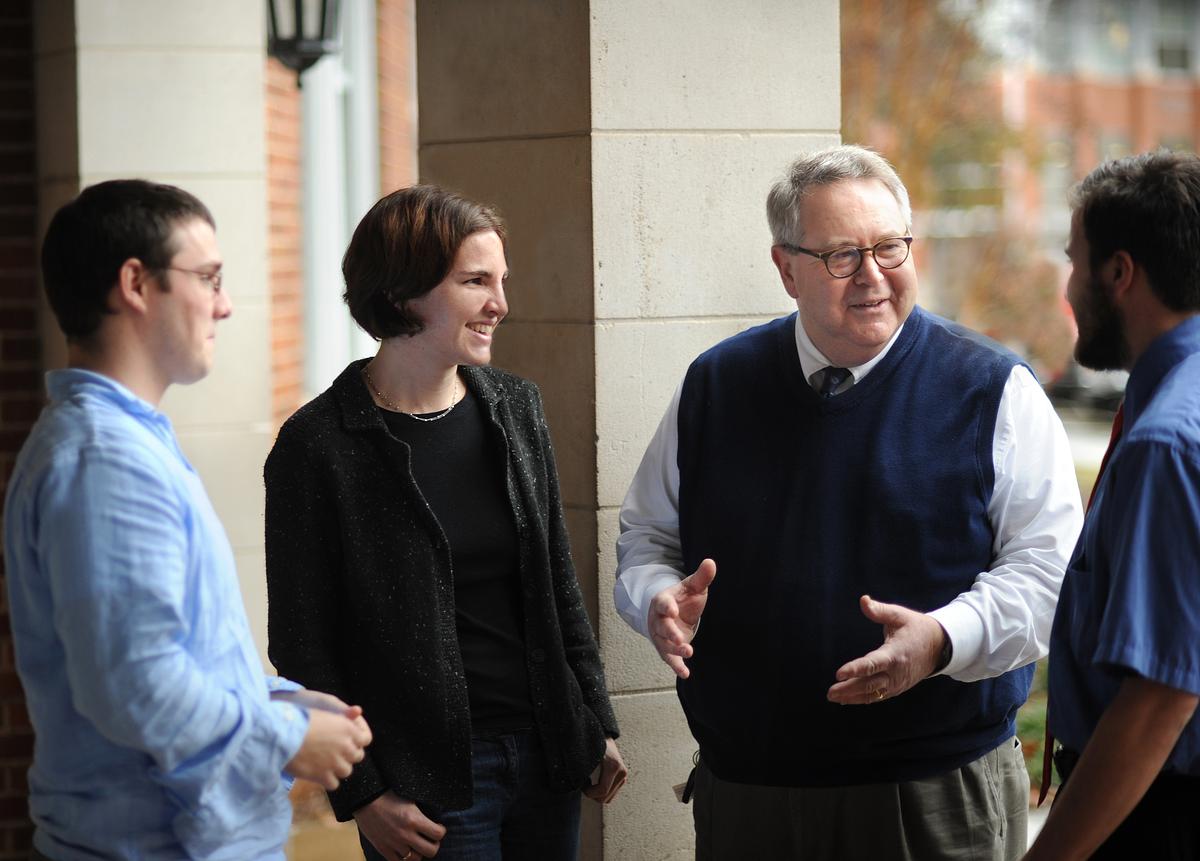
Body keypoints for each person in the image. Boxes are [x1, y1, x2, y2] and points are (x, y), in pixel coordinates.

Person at [614, 145, 1084, 860]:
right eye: (842, 255)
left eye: (890, 247)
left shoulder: (993, 390)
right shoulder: (715, 384)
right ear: (786, 270)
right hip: (748, 794)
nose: (872, 275)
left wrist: (942, 639)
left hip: (930, 794)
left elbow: (1050, 573)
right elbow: (648, 537)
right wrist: (654, 597)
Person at [3, 180, 372, 861]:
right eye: (208, 278)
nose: (224, 305)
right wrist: (287, 736)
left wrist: (283, 701)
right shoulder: (105, 460)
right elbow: (137, 687)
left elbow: (177, 653)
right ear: (136, 284)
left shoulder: (123, 440)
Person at [265, 184, 626, 861]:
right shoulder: (318, 445)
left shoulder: (516, 407)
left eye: (501, 280)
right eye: (475, 281)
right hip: (425, 783)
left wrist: (594, 721)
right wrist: (364, 794)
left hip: (547, 758)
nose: (501, 304)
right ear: (403, 293)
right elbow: (302, 644)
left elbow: (556, 584)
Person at [1024, 152, 1200, 860]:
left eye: (1075, 262)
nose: (1070, 287)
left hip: (1158, 813)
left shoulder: (1167, 441)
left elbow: (1161, 694)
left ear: (1119, 272)